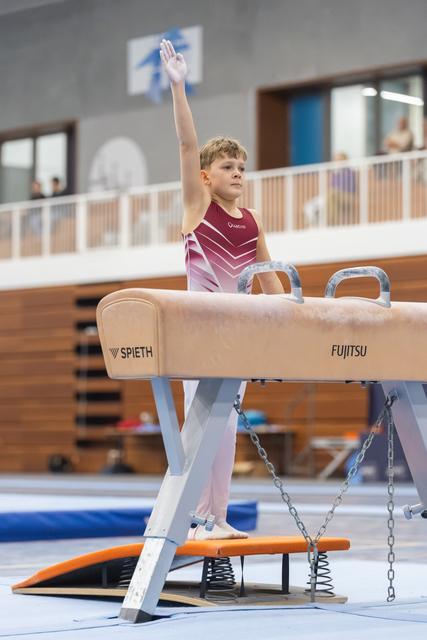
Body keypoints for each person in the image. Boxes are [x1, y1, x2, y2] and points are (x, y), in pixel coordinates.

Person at [160, 39, 283, 541]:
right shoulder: (197, 210)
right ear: (207, 178)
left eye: (242, 168)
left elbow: (272, 279)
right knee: (201, 431)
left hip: (237, 335)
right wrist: (178, 87)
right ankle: (190, 516)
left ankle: (217, 517)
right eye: (229, 168)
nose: (238, 174)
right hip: (198, 334)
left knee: (228, 430)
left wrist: (300, 319)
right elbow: (188, 146)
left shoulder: (252, 222)